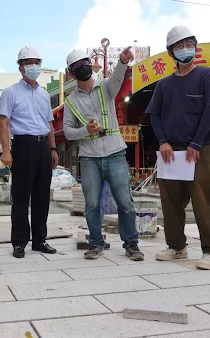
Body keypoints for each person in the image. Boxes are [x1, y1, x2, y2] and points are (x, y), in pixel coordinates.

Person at [146, 25, 210, 270]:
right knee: (170, 201)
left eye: (189, 44)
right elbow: (154, 115)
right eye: (179, 46)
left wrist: (196, 142)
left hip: (201, 150)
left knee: (205, 202)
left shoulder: (207, 75)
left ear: (196, 46)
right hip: (172, 151)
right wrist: (163, 141)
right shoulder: (164, 84)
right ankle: (177, 246)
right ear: (170, 52)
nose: (185, 49)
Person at [63, 47, 144, 261]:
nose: (83, 68)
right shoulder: (71, 101)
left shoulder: (105, 87)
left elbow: (117, 77)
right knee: (91, 204)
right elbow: (69, 132)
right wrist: (85, 131)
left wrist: (123, 62)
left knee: (125, 201)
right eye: (77, 66)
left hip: (115, 153)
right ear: (72, 73)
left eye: (85, 63)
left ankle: (131, 244)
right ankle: (96, 244)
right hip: (89, 157)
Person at [0, 46, 59, 258]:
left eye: (37, 62)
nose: (34, 67)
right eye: (29, 63)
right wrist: (6, 152)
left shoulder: (44, 94)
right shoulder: (10, 92)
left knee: (43, 196)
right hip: (22, 145)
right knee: (21, 196)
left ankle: (40, 240)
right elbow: (4, 123)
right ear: (21, 67)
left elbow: (49, 123)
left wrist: (52, 148)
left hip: (43, 146)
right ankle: (19, 242)